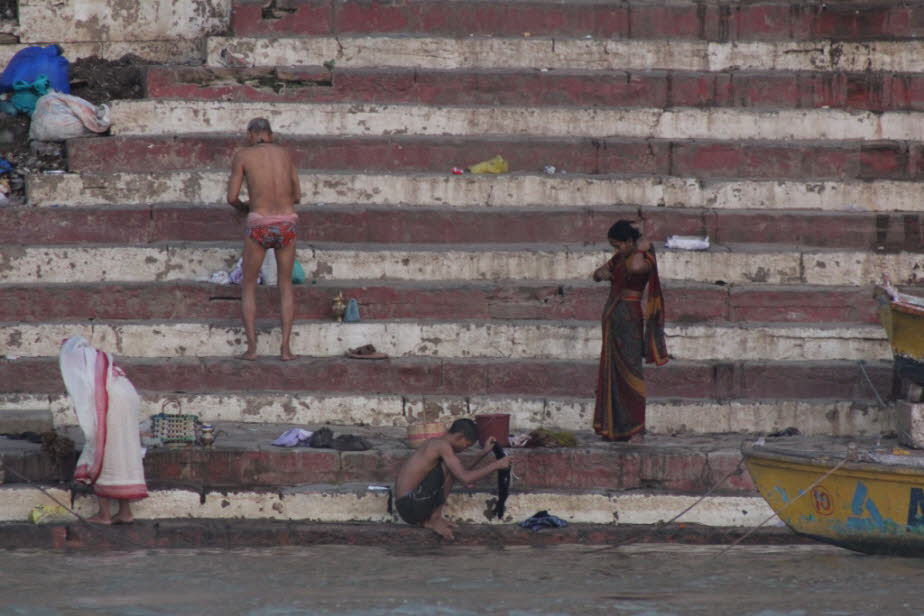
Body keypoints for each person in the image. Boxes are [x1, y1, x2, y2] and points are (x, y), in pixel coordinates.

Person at [226, 117, 302, 361]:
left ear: (251, 135)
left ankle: (252, 349)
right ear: (271, 134)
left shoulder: (243, 156)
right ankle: (286, 349)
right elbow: (298, 195)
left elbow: (231, 197)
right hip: (287, 223)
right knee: (285, 285)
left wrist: (245, 207)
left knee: (248, 285)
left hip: (259, 223)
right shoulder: (286, 155)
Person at [592, 220, 668, 442]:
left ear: (629, 242)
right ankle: (614, 427)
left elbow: (636, 269)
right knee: (612, 375)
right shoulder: (620, 257)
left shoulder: (644, 258)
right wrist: (602, 273)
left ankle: (636, 428)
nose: (617, 250)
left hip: (629, 320)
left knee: (631, 374)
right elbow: (597, 274)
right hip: (613, 320)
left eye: (619, 245)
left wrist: (641, 247)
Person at [59, 336, 148, 524]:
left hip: (111, 406)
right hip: (126, 402)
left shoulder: (88, 373)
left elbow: (87, 407)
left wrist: (91, 435)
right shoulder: (106, 367)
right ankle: (125, 512)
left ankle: (105, 515)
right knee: (125, 456)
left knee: (102, 455)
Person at [395, 418, 512, 540]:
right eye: (466, 445)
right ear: (459, 437)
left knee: (452, 469)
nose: (465, 449)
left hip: (408, 507)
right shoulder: (441, 446)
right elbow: (465, 478)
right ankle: (433, 520)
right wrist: (496, 465)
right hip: (409, 505)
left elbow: (459, 472)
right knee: (450, 468)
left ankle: (434, 519)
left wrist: (483, 453)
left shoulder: (437, 443)